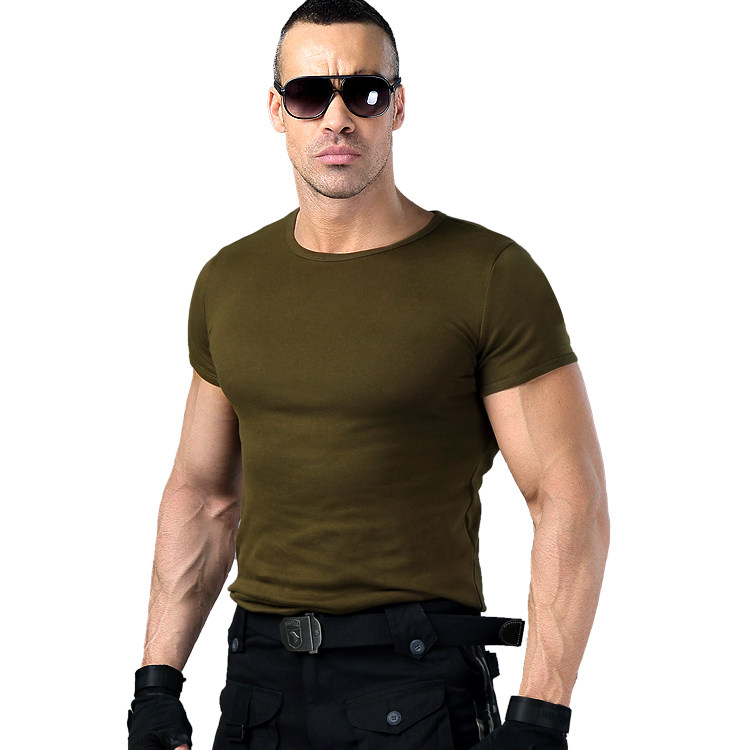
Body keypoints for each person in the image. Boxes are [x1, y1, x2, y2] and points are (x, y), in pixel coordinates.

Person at [126, 1, 610, 748]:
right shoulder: (229, 281)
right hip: (259, 690)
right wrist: (157, 682)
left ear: (398, 106)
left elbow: (568, 497)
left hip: (415, 688)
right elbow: (205, 494)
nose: (338, 118)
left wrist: (540, 717)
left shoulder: (489, 275)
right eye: (309, 94)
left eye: (364, 91)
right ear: (277, 110)